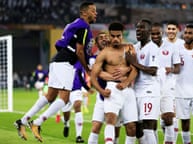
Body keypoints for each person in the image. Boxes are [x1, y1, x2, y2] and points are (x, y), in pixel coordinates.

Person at [13, 2, 97, 142]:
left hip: (58, 60)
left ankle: (21, 121)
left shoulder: (74, 24)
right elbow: (80, 51)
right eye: (93, 11)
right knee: (64, 99)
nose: (96, 13)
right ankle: (37, 123)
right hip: (65, 63)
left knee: (50, 96)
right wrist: (87, 69)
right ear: (84, 13)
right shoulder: (84, 27)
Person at [91, 22, 138, 144]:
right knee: (110, 119)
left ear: (123, 35)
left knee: (132, 126)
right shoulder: (104, 53)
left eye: (119, 36)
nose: (116, 39)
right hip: (112, 89)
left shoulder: (129, 48)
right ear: (109, 36)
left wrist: (126, 82)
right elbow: (93, 76)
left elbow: (135, 69)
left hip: (128, 90)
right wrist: (101, 91)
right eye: (113, 36)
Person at [126, 19, 160, 144]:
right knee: (138, 128)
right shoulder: (135, 47)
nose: (138, 30)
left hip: (149, 91)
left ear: (150, 31)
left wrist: (134, 63)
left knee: (148, 127)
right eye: (137, 28)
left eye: (142, 28)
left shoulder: (153, 48)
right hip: (136, 91)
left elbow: (153, 70)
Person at [151, 22, 181, 144]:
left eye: (157, 33)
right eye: (153, 34)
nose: (155, 36)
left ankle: (170, 141)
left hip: (168, 85)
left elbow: (178, 68)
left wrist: (171, 69)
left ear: (161, 33)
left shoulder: (172, 47)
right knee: (152, 120)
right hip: (151, 86)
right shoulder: (146, 47)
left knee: (169, 117)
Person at [161, 21, 185, 142]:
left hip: (179, 83)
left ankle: (172, 141)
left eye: (173, 29)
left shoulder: (183, 44)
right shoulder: (161, 43)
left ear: (177, 30)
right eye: (169, 28)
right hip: (163, 83)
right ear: (166, 30)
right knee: (165, 118)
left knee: (173, 115)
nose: (170, 31)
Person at [61, 61, 94, 143]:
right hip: (65, 90)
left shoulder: (80, 62)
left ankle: (78, 136)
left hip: (77, 89)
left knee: (77, 106)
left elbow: (81, 77)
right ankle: (66, 123)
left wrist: (87, 88)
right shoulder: (64, 60)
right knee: (66, 113)